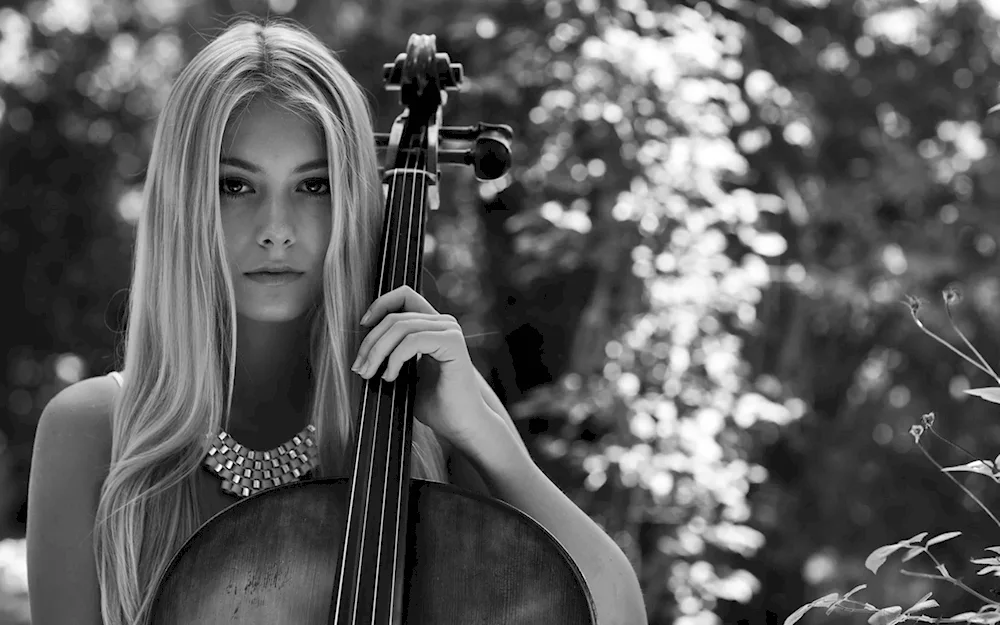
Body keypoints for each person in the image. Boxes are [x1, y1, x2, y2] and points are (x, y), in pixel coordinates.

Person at [24, 17, 647, 625]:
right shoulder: (93, 433)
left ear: (353, 198)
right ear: (182, 203)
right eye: (235, 187)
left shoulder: (425, 411)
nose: (276, 231)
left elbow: (615, 613)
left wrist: (488, 439)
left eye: (314, 186)